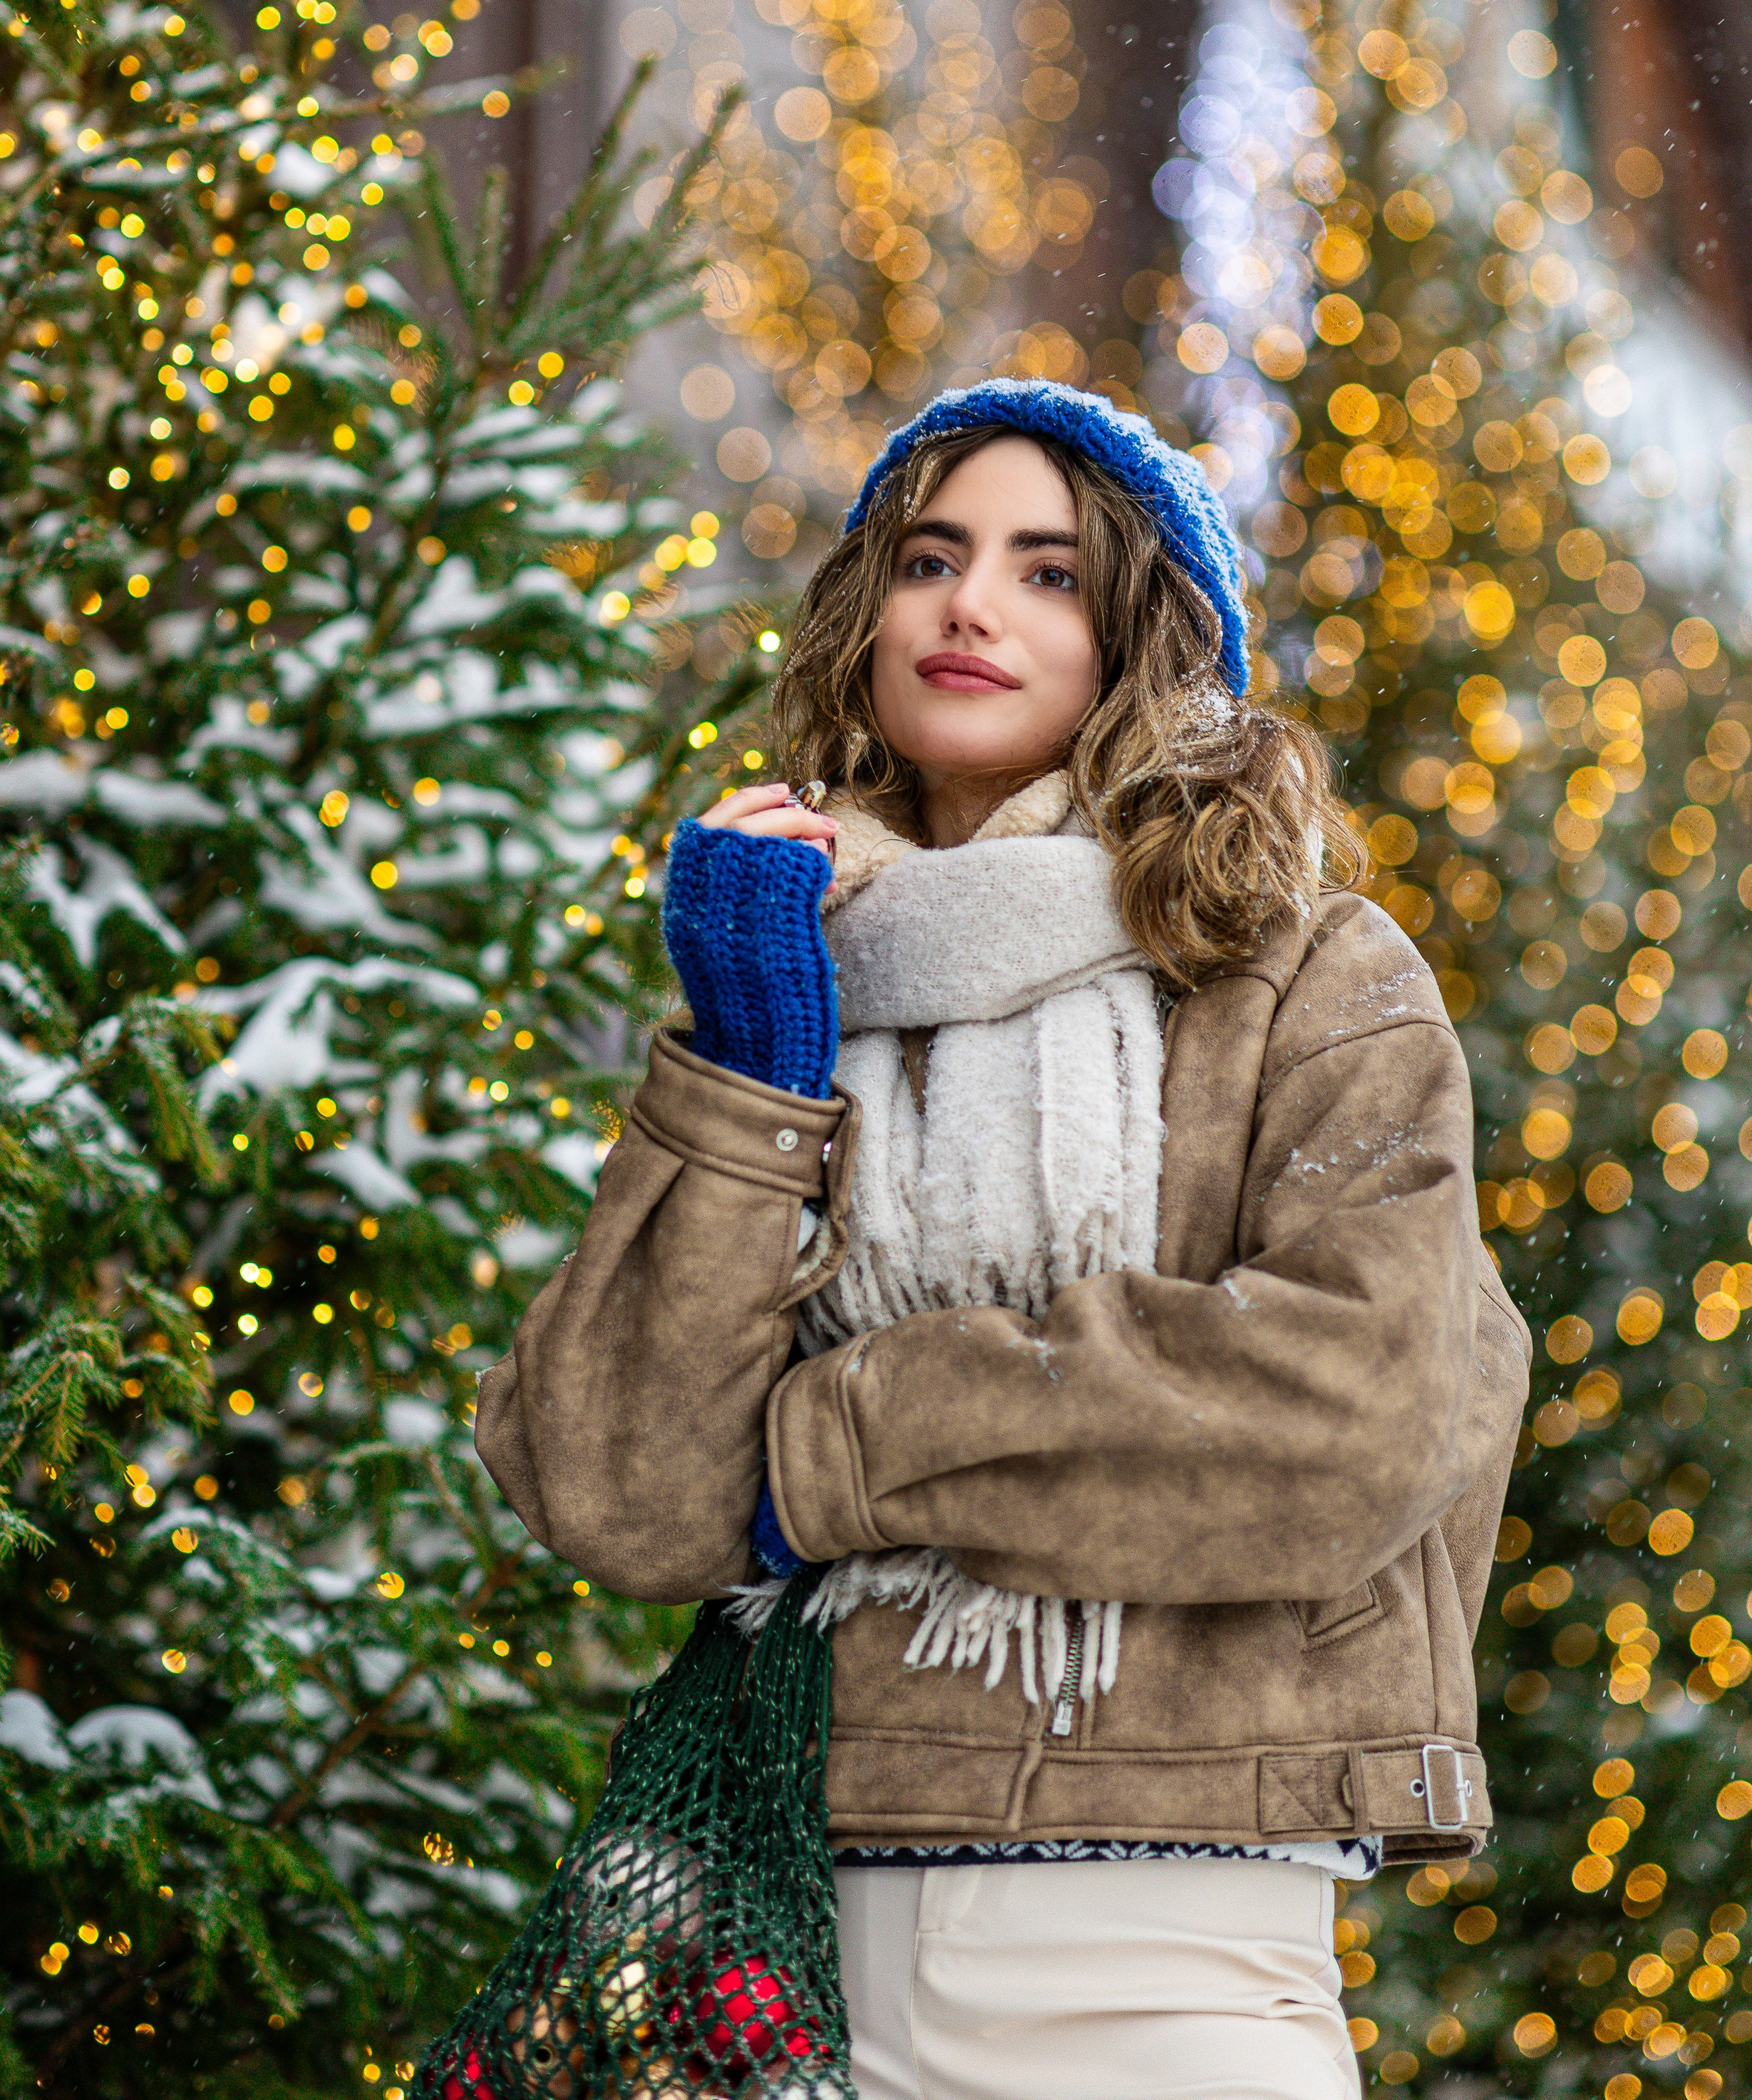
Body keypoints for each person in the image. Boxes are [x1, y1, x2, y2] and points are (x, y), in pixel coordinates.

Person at [475, 379, 1532, 2100]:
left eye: (1049, 575)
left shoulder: (1300, 978)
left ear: (1144, 652)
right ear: (862, 613)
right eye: (929, 556)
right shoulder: (800, 976)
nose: (969, 605)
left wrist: (841, 1445)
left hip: (1168, 1948)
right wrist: (748, 1067)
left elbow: (1346, 1418)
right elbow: (619, 1489)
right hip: (783, 1943)